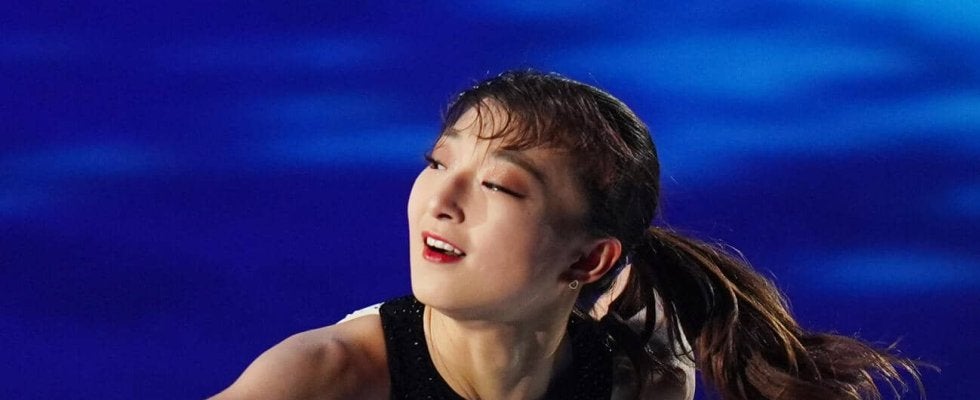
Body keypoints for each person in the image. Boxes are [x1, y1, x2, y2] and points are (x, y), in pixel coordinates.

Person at [211, 70, 923, 399]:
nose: (440, 202)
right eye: (437, 163)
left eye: (498, 186)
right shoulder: (320, 378)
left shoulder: (640, 380)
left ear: (588, 259)